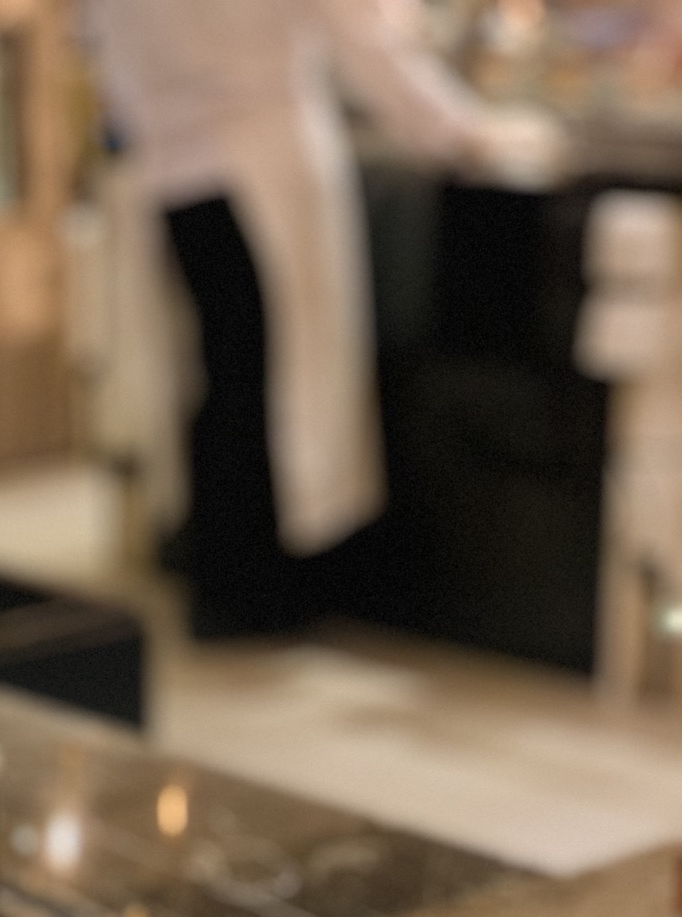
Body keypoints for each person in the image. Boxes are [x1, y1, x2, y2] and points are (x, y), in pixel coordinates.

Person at [82, 0, 565, 633]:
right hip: (261, 170)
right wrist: (464, 134)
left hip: (174, 176)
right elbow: (368, 44)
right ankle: (264, 591)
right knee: (275, 386)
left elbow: (108, 50)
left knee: (227, 380)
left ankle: (226, 585)